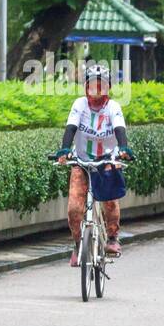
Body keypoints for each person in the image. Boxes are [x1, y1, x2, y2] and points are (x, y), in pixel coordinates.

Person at [50, 64, 135, 264]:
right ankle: (79, 244)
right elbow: (71, 127)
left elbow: (119, 129)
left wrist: (123, 149)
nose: (97, 91)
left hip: (106, 161)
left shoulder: (113, 107)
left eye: (101, 86)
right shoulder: (79, 105)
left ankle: (113, 238)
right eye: (92, 86)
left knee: (110, 201)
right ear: (86, 88)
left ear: (108, 88)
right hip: (82, 162)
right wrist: (64, 150)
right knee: (74, 209)